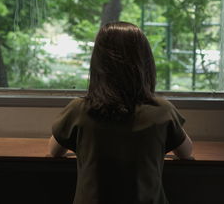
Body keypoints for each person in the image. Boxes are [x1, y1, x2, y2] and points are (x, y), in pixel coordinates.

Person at [47, 21, 193, 204]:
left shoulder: (80, 110)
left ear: (98, 65)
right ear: (145, 64)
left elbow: (54, 151)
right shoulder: (162, 111)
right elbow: (186, 152)